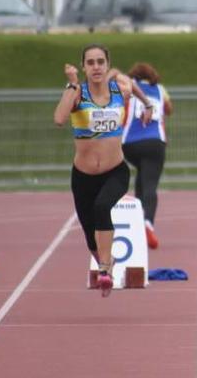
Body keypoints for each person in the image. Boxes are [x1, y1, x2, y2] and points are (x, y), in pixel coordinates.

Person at [54, 44, 152, 297]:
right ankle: (105, 263)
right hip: (83, 176)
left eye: (100, 62)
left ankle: (105, 270)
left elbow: (131, 83)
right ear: (84, 66)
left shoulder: (120, 89)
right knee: (90, 237)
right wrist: (72, 83)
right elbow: (59, 118)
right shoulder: (78, 93)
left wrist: (147, 104)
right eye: (90, 62)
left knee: (102, 207)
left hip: (115, 171)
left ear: (108, 65)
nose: (96, 67)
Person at [122, 62, 173, 250]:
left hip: (129, 143)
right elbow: (169, 109)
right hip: (154, 142)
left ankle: (136, 220)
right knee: (150, 184)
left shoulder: (126, 85)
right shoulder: (159, 89)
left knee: (141, 177)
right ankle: (147, 223)